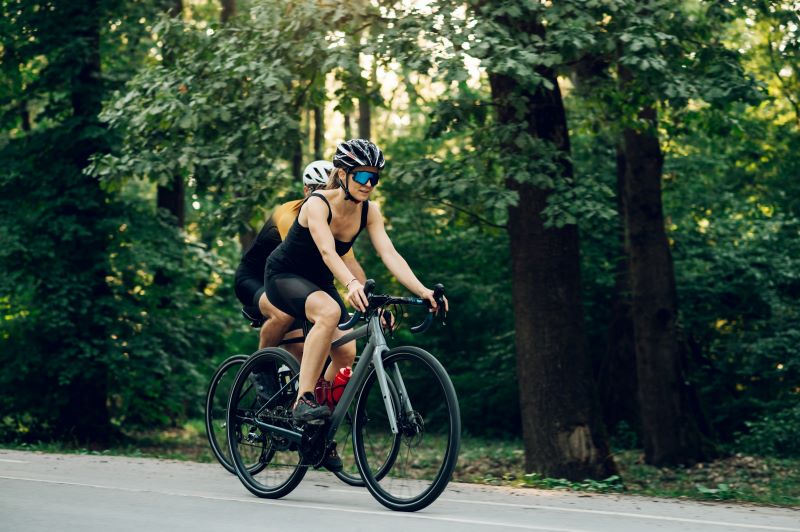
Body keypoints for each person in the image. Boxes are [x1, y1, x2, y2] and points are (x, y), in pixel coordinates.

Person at [265, 139, 448, 429]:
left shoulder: (369, 211)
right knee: (328, 312)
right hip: (284, 275)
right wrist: (351, 284)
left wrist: (422, 290)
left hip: (320, 282)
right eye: (361, 175)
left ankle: (316, 427)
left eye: (374, 177)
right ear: (342, 174)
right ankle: (303, 400)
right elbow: (327, 251)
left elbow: (389, 253)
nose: (368, 183)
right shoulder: (317, 203)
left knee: (346, 352)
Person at [234, 160, 366, 359]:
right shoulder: (288, 214)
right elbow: (300, 262)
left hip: (295, 281)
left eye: (333, 190)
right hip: (255, 278)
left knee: (309, 352)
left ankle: (303, 388)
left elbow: (350, 263)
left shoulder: (332, 220)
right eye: (321, 190)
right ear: (307, 191)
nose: (327, 196)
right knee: (284, 315)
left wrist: (367, 299)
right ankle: (261, 367)